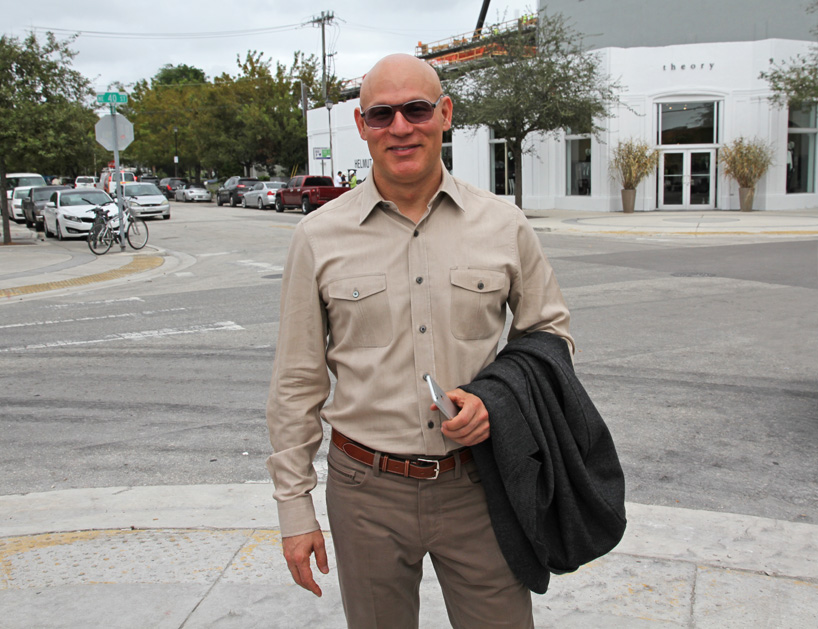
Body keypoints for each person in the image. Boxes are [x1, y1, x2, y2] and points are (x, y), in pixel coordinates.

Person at [266, 53, 573, 628]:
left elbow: (550, 334)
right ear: (361, 125)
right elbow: (296, 381)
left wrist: (496, 401)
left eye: (416, 109)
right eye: (382, 114)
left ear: (445, 114)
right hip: (364, 493)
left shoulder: (503, 224)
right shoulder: (317, 236)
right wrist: (294, 507)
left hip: (482, 485)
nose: (401, 127)